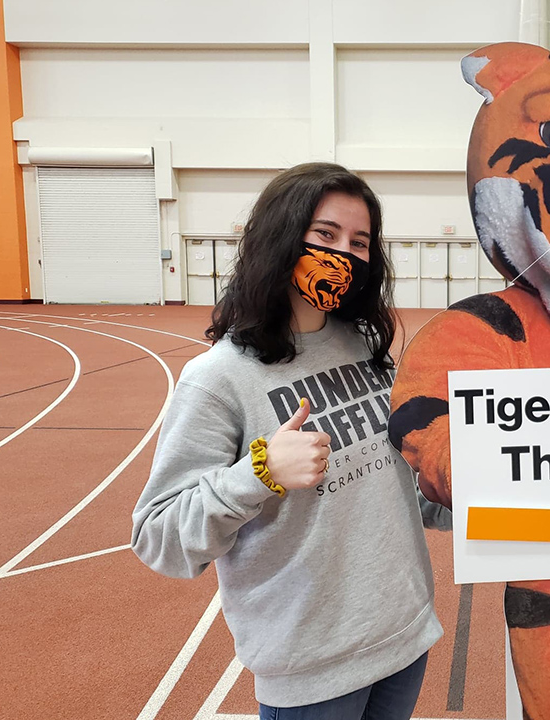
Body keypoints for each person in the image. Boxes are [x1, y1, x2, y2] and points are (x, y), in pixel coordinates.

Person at [131, 163, 443, 720]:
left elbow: (398, 482)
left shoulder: (363, 350)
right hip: (311, 666)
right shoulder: (217, 379)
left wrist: (467, 486)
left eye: (360, 241)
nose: (344, 253)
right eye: (325, 236)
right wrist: (261, 472)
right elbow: (159, 537)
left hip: (403, 635)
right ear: (281, 236)